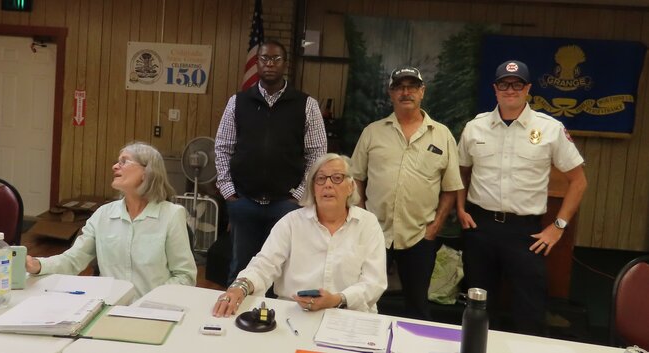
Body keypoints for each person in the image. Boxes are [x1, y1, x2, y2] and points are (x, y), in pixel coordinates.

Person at [456, 60, 587, 336]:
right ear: (495, 88)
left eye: (517, 84)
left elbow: (579, 181)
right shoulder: (475, 127)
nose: (510, 89)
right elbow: (461, 173)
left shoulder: (550, 129)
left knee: (529, 309)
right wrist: (459, 207)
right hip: (480, 228)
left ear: (527, 88)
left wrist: (558, 227)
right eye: (504, 84)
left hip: (525, 232)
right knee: (478, 307)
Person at [349, 66, 463, 320]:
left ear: (422, 92)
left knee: (417, 304)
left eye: (412, 87)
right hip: (375, 233)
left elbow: (451, 187)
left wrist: (436, 226)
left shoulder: (442, 135)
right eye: (399, 87)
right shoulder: (372, 132)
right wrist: (364, 216)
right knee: (362, 299)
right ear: (391, 93)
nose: (406, 92)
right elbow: (357, 177)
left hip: (420, 236)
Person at [212, 154, 386, 317]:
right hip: (296, 314)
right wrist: (240, 286)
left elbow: (374, 282)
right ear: (313, 188)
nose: (328, 184)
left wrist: (337, 300)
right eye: (320, 179)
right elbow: (264, 264)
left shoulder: (367, 224)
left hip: (350, 316)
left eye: (337, 178)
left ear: (351, 186)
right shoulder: (292, 222)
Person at [214, 39, 327, 285]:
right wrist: (228, 191)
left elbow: (317, 154)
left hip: (286, 205)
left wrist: (298, 195)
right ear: (258, 63)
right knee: (241, 268)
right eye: (264, 58)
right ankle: (237, 318)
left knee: (284, 271)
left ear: (285, 64)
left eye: (276, 59)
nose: (269, 64)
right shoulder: (238, 102)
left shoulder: (306, 104)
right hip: (244, 202)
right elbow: (222, 147)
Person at [25, 142, 197, 301]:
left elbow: (185, 276)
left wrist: (148, 303)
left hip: (153, 311)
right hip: (107, 309)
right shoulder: (103, 214)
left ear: (147, 172)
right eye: (117, 161)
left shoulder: (172, 215)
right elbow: (73, 259)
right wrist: (39, 265)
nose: (115, 166)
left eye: (124, 161)